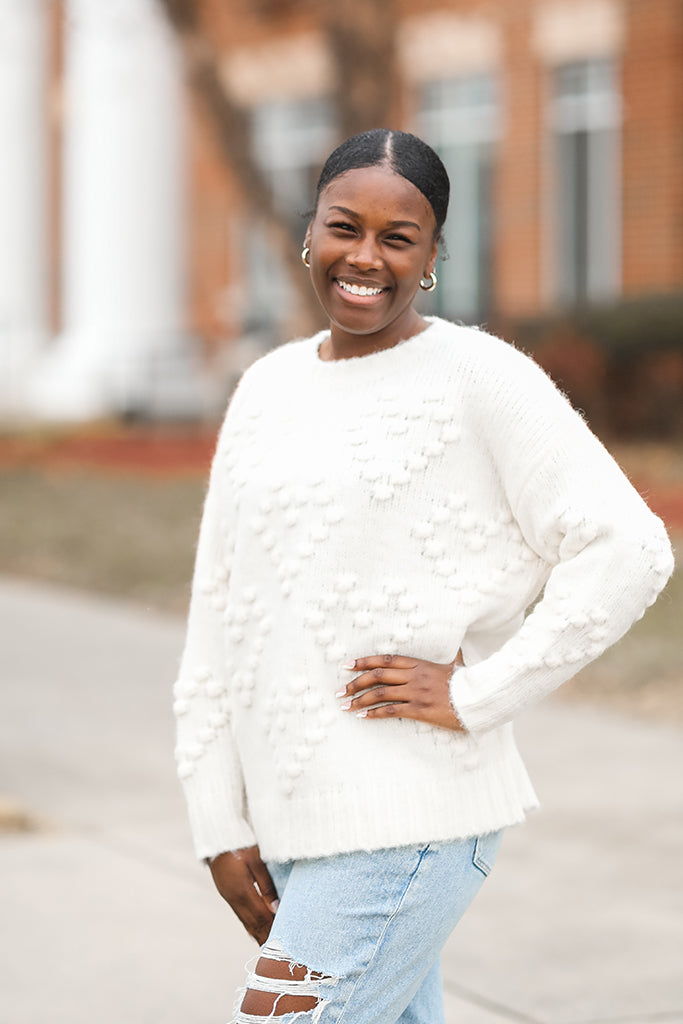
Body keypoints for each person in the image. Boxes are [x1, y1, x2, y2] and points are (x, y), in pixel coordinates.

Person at [174, 129, 673, 1024]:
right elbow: (220, 616)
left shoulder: (479, 378)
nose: (364, 257)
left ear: (433, 255)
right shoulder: (265, 388)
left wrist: (480, 693)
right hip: (292, 831)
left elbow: (629, 549)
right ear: (309, 235)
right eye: (344, 227)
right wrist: (217, 820)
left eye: (397, 237)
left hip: (407, 823)